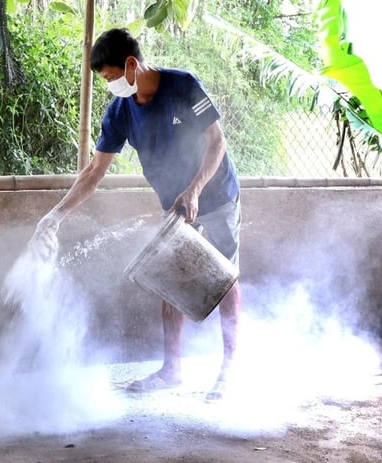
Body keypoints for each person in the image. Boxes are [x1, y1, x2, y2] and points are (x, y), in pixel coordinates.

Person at [31, 28, 242, 401]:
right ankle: (172, 370)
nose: (111, 86)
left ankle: (228, 371)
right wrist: (55, 216)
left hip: (217, 195)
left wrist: (194, 190)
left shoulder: (183, 86)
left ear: (131, 65)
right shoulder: (120, 112)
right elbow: (93, 173)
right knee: (171, 280)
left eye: (112, 78)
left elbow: (217, 141)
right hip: (174, 206)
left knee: (224, 278)